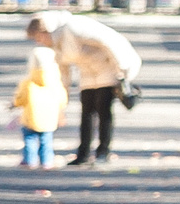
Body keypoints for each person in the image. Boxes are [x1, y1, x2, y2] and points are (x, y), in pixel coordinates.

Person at [25, 10, 143, 167]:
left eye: (39, 37)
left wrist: (123, 71)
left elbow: (108, 41)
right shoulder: (56, 45)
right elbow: (63, 71)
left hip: (108, 67)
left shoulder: (74, 26)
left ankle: (103, 152)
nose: (39, 42)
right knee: (86, 112)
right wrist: (62, 96)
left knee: (103, 109)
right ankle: (83, 154)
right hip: (88, 73)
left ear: (45, 31)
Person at [12, 41, 66, 169]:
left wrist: (15, 103)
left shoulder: (28, 82)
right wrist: (61, 111)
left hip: (31, 117)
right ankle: (47, 161)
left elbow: (21, 98)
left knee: (30, 140)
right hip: (49, 118)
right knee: (46, 141)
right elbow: (62, 99)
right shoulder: (55, 82)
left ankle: (29, 160)